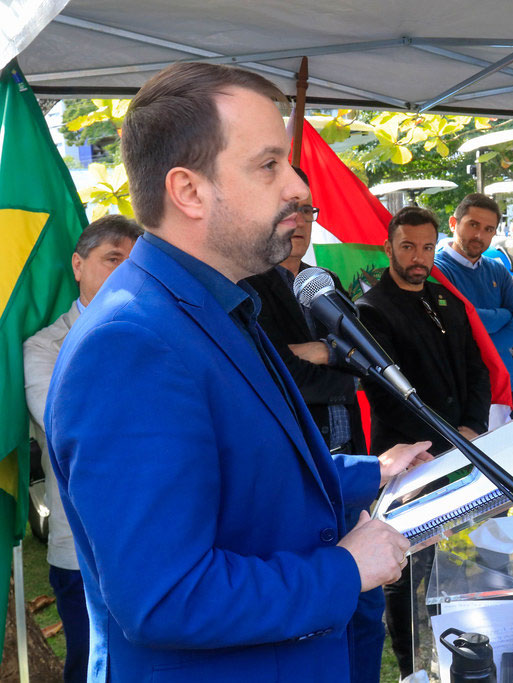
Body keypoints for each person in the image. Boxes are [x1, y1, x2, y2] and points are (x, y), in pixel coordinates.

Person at [45, 62, 432, 683]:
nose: (298, 188)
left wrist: (375, 472)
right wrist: (344, 570)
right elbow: (165, 595)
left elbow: (251, 474)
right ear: (189, 191)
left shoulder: (216, 304)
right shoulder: (131, 342)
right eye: (269, 165)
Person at [355, 205, 490, 680]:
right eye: (408, 246)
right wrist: (442, 440)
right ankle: (412, 665)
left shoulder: (446, 298)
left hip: (461, 448)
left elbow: (476, 367)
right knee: (408, 567)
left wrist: (471, 426)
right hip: (411, 459)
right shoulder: (371, 309)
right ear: (388, 248)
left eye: (427, 247)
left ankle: (461, 654)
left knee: (459, 559)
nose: (418, 257)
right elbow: (387, 394)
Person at [23, 215, 142, 683]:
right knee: (94, 669)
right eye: (112, 258)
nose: (124, 271)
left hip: (159, 543)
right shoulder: (45, 347)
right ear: (77, 265)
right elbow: (72, 428)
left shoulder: (157, 332)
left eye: (133, 262)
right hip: (83, 551)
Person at [244, 166, 364, 454]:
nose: (299, 221)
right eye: (288, 210)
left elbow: (365, 357)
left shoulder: (326, 280)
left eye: (307, 210)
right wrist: (346, 371)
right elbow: (280, 376)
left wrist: (323, 352)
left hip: (351, 451)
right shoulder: (247, 285)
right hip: (297, 457)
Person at [434, 193, 513, 415]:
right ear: (453, 223)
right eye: (473, 224)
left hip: (505, 389)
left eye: (488, 229)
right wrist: (504, 315)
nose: (479, 235)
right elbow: (456, 323)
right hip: (463, 393)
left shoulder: (496, 269)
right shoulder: (436, 271)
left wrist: (481, 344)